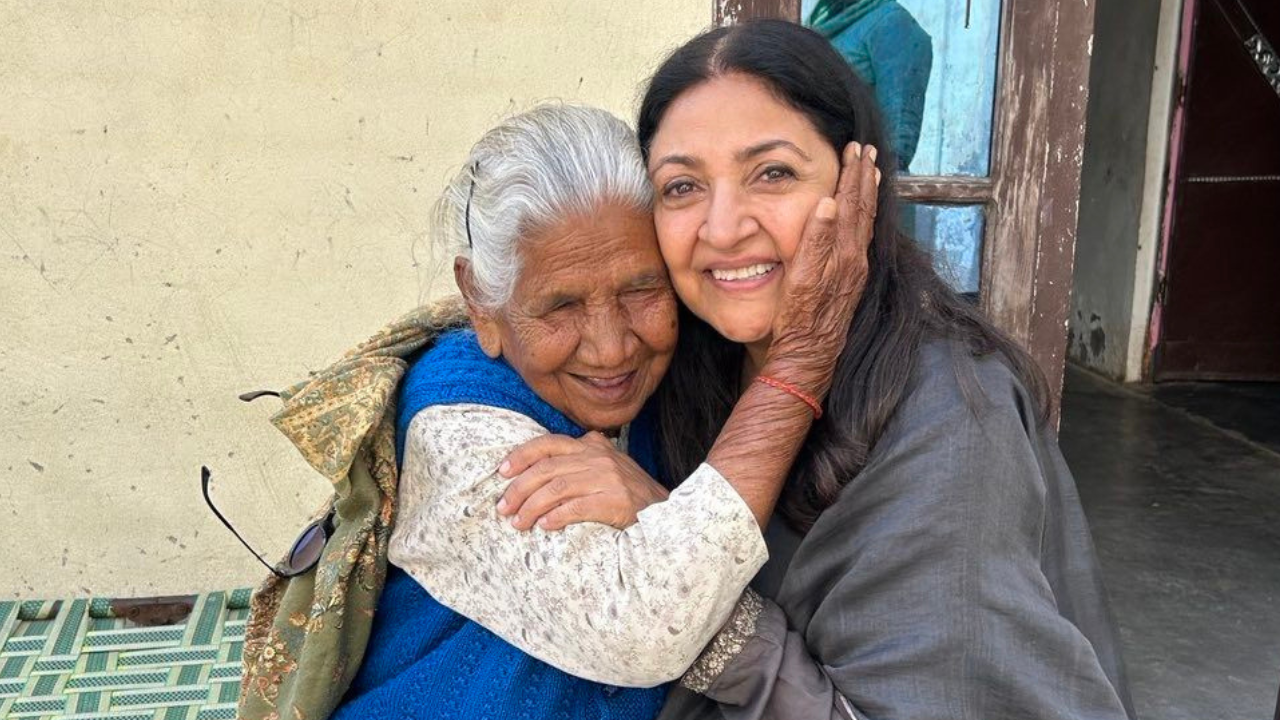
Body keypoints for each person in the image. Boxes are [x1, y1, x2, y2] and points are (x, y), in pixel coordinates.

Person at [502, 20, 1135, 720]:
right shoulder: (683, 362)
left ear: (857, 185)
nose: (722, 227)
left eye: (772, 173)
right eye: (682, 187)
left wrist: (675, 544)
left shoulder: (953, 418)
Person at [329, 103, 878, 720]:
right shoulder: (456, 432)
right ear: (482, 304)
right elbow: (645, 624)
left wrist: (653, 506)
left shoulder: (678, 371)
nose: (613, 346)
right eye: (561, 306)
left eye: (642, 290)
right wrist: (802, 358)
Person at [807, 0, 932, 171]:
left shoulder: (893, 24)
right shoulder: (822, 21)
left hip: (859, 176)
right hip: (813, 169)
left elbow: (896, 145)